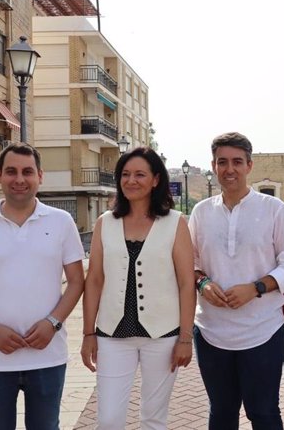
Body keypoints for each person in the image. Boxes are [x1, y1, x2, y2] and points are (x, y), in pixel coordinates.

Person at [0, 142, 85, 430]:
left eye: (27, 172)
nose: (20, 179)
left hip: (47, 358)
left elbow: (76, 281)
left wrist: (53, 322)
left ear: (40, 176)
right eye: (11, 171)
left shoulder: (61, 222)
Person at [189, 132, 284, 430]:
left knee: (263, 412)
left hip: (262, 330)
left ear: (249, 166)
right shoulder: (200, 212)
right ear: (213, 166)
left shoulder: (273, 209)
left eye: (237, 162)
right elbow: (190, 263)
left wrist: (255, 288)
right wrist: (203, 284)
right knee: (222, 413)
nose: (230, 169)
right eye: (222, 162)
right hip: (211, 331)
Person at [80, 147, 196, 430]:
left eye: (140, 174)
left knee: (153, 418)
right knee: (108, 420)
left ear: (155, 180)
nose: (131, 180)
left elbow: (185, 282)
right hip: (112, 334)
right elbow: (94, 279)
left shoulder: (175, 223)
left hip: (163, 335)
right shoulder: (105, 223)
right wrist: (88, 333)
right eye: (126, 174)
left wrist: (185, 337)